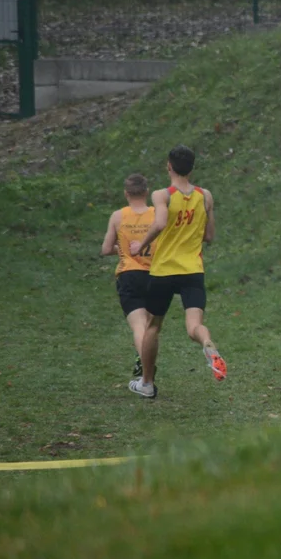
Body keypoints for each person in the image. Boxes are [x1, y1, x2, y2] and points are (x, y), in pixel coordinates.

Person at [128, 145, 227, 399]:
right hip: (193, 270)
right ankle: (208, 345)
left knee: (152, 327)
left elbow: (160, 223)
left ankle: (147, 384)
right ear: (192, 169)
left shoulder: (163, 195)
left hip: (163, 271)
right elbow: (210, 236)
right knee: (195, 326)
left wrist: (142, 245)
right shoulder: (205, 196)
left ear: (168, 166)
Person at [100, 173, 155, 379]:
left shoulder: (118, 216)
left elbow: (106, 249)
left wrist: (123, 248)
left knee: (139, 326)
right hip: (155, 274)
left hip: (129, 274)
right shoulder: (157, 214)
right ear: (146, 192)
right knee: (150, 327)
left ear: (126, 194)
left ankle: (147, 371)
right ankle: (145, 361)